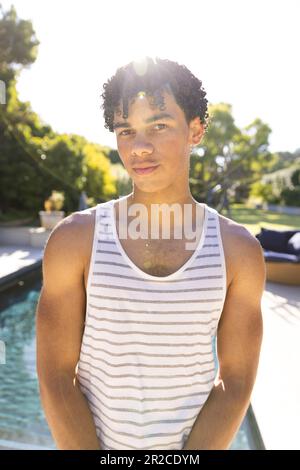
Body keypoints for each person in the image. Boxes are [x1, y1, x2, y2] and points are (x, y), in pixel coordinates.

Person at [36, 57, 266, 450]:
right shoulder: (75, 240)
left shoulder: (238, 251)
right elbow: (57, 375)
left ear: (196, 130)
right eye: (126, 130)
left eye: (159, 126)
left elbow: (235, 379)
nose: (139, 148)